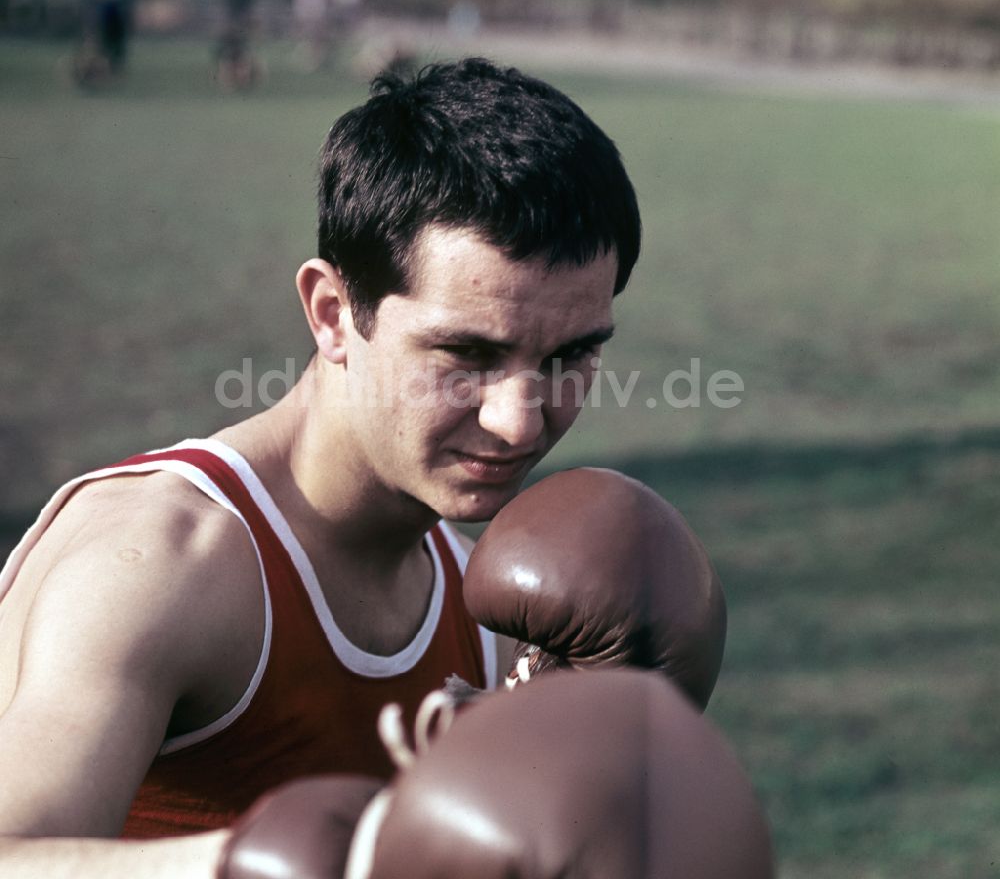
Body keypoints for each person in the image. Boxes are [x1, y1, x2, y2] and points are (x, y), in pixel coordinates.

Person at [0, 58, 641, 877]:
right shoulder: (161, 563)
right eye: (467, 354)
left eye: (571, 355)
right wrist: (272, 862)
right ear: (334, 314)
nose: (520, 419)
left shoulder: (486, 615)